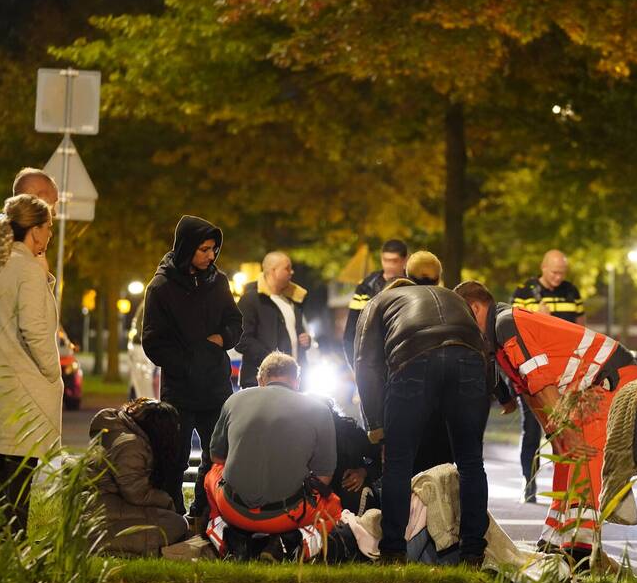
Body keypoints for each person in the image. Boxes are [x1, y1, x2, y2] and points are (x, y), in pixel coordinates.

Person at [454, 280, 637, 560]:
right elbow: (530, 390)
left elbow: (542, 384)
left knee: (584, 454)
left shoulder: (506, 325)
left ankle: (582, 549)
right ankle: (555, 538)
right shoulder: (498, 337)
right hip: (590, 383)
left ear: (474, 307)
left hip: (607, 378)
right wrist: (557, 435)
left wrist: (565, 430)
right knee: (567, 453)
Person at [353, 251, 491, 565]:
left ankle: (392, 551)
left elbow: (364, 363)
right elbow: (482, 350)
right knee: (470, 462)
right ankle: (472, 553)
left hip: (414, 357)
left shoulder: (378, 302)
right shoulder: (453, 296)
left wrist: (376, 425)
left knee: (398, 462)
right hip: (469, 359)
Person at [142, 215, 243, 519]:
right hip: (180, 390)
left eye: (213, 249)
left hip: (215, 387)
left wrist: (221, 338)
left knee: (217, 456)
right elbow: (153, 342)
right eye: (204, 249)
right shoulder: (161, 287)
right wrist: (186, 364)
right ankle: (173, 516)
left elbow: (235, 321)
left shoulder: (218, 281)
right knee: (174, 458)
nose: (211, 256)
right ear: (187, 249)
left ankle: (202, 512)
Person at [0, 194, 62, 536]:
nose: (51, 235)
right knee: (17, 481)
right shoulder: (25, 267)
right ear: (35, 231)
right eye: (49, 228)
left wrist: (46, 277)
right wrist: (53, 372)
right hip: (21, 386)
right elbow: (34, 327)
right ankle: (11, 552)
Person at [205, 352, 341, 560]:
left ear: (260, 379)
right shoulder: (319, 409)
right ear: (297, 381)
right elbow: (324, 477)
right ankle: (289, 543)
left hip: (233, 509)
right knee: (333, 507)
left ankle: (227, 538)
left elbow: (217, 458)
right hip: (287, 515)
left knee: (211, 475)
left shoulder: (234, 400)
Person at [510, 250, 585, 503]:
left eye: (562, 273)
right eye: (553, 272)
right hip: (531, 370)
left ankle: (562, 485)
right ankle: (528, 483)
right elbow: (513, 328)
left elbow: (581, 327)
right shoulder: (524, 292)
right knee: (531, 430)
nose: (557, 277)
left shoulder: (572, 291)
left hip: (564, 370)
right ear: (542, 267)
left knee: (561, 429)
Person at [0, 168, 60, 355]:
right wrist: (51, 373)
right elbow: (26, 318)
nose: (55, 212)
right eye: (54, 203)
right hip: (7, 357)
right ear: (38, 199)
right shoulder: (13, 237)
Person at [89, 399, 190, 556]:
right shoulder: (131, 446)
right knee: (176, 525)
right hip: (99, 507)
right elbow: (136, 493)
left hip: (100, 503)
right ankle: (97, 543)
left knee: (171, 520)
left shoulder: (120, 429)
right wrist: (166, 500)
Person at [235, 251, 311, 388]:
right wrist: (274, 360)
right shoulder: (251, 300)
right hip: (260, 382)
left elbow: (296, 334)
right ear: (272, 271)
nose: (291, 272)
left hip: (292, 382)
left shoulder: (292, 301)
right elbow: (241, 339)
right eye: (287, 268)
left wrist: (305, 340)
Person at [343, 239, 408, 367]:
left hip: (404, 357)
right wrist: (356, 368)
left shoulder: (413, 286)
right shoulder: (366, 286)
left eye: (394, 261)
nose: (389, 265)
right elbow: (352, 329)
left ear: (405, 260)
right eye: (385, 260)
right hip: (372, 358)